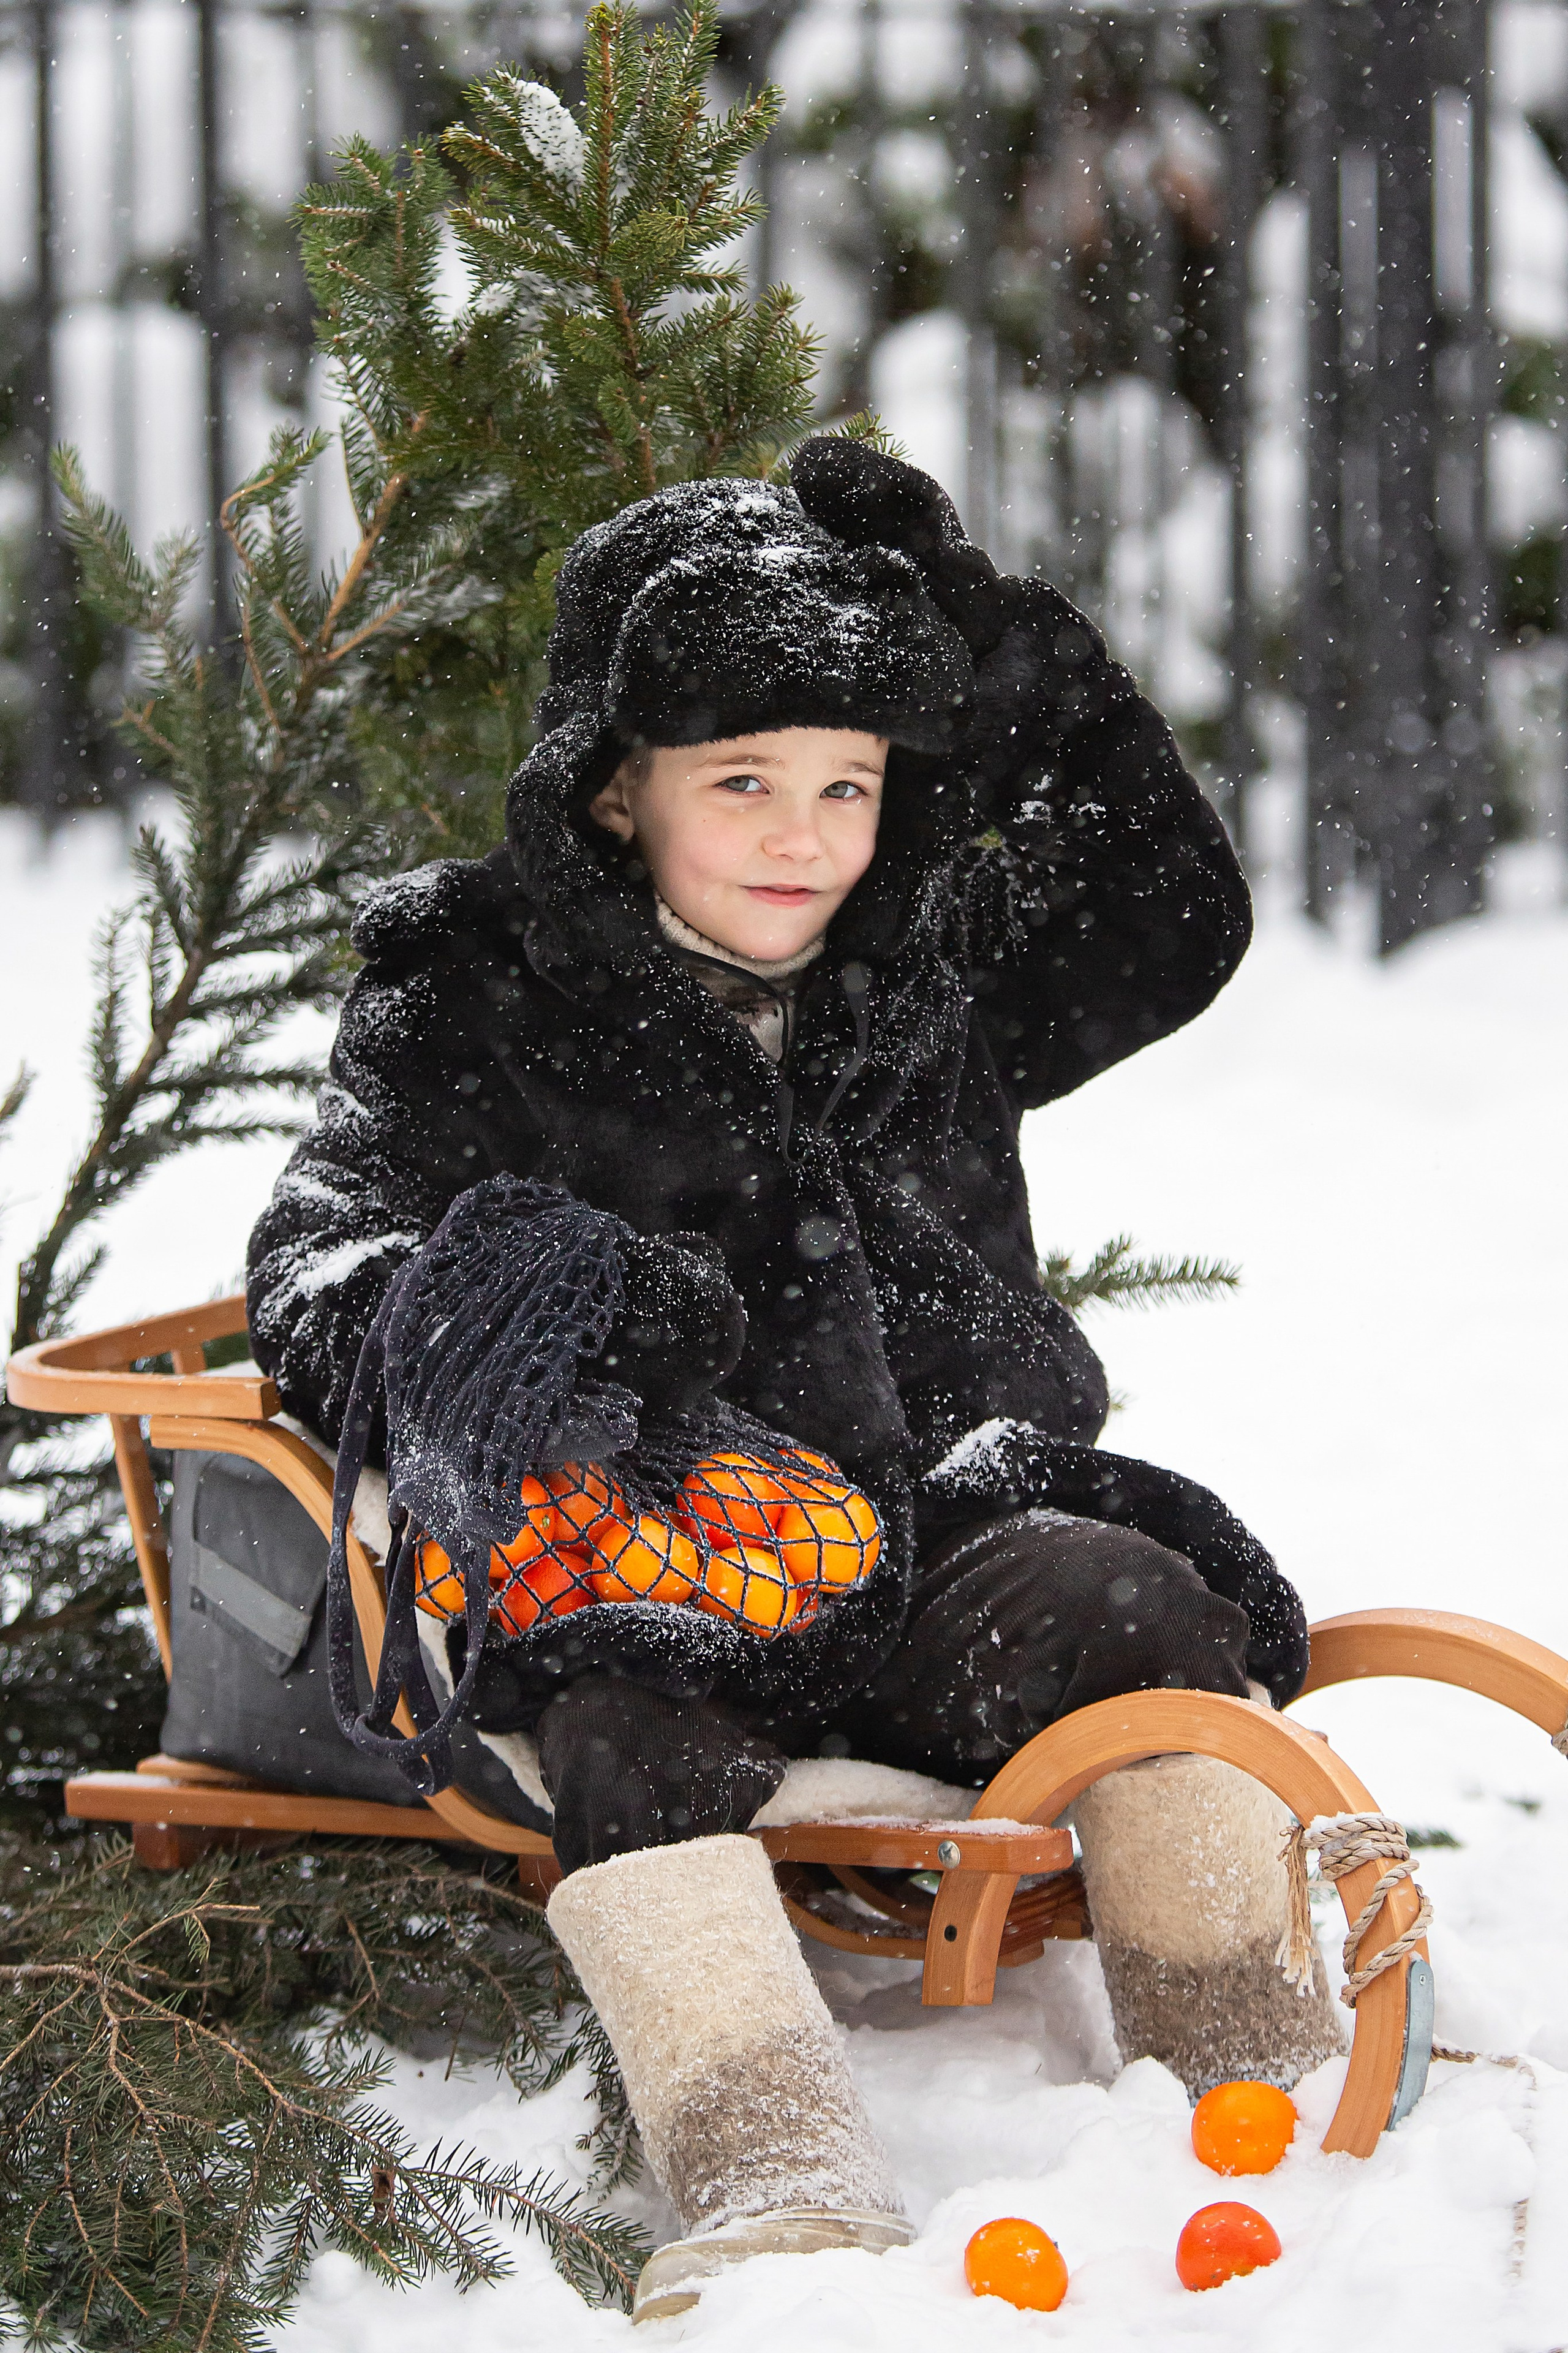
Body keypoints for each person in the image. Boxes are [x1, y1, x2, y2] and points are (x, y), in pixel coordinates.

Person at [247, 437, 1340, 2319]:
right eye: (740, 780)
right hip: (665, 1557)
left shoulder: (922, 965)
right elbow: (315, 1264)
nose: (799, 835)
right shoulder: (471, 986)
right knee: (629, 1732)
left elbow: (1178, 902)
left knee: (1139, 1600)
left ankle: (1266, 2078)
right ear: (614, 789)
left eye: (846, 783)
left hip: (924, 1539)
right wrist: (533, 1296)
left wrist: (993, 637)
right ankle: (767, 2164)